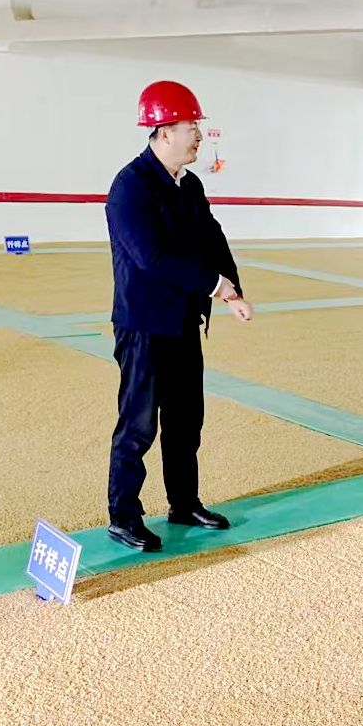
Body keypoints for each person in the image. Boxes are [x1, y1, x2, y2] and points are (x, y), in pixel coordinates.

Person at [104, 80, 254, 552]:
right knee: (138, 425)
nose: (199, 136)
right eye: (192, 127)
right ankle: (124, 516)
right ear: (164, 130)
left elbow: (212, 236)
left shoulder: (189, 185)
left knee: (186, 421)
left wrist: (232, 289)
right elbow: (150, 256)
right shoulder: (130, 187)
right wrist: (213, 285)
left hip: (184, 322)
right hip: (144, 326)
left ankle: (184, 503)